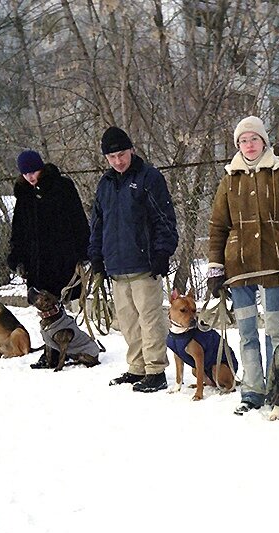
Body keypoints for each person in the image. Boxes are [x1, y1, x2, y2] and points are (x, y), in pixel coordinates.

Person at [206, 115, 279, 415]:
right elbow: (218, 225)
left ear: (264, 141)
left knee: (275, 330)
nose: (249, 145)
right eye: (243, 141)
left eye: (253, 139)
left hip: (274, 266)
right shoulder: (229, 180)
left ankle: (278, 388)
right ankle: (252, 391)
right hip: (238, 268)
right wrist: (215, 267)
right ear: (237, 145)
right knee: (247, 331)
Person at [88, 126, 178, 393]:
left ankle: (155, 370)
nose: (118, 161)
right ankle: (137, 367)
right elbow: (97, 224)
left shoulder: (149, 178)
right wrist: (96, 255)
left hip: (145, 264)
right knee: (127, 322)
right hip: (116, 265)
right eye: (112, 157)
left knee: (150, 320)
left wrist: (162, 252)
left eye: (121, 155)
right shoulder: (105, 184)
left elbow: (164, 218)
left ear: (131, 151)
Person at [8, 150, 92, 369]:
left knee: (56, 303)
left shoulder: (62, 187)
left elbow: (77, 220)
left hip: (60, 255)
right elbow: (18, 229)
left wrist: (84, 251)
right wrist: (16, 256)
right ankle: (52, 348)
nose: (30, 177)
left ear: (41, 168)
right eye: (25, 173)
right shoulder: (24, 195)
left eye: (33, 171)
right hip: (35, 260)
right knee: (44, 306)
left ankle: (61, 347)